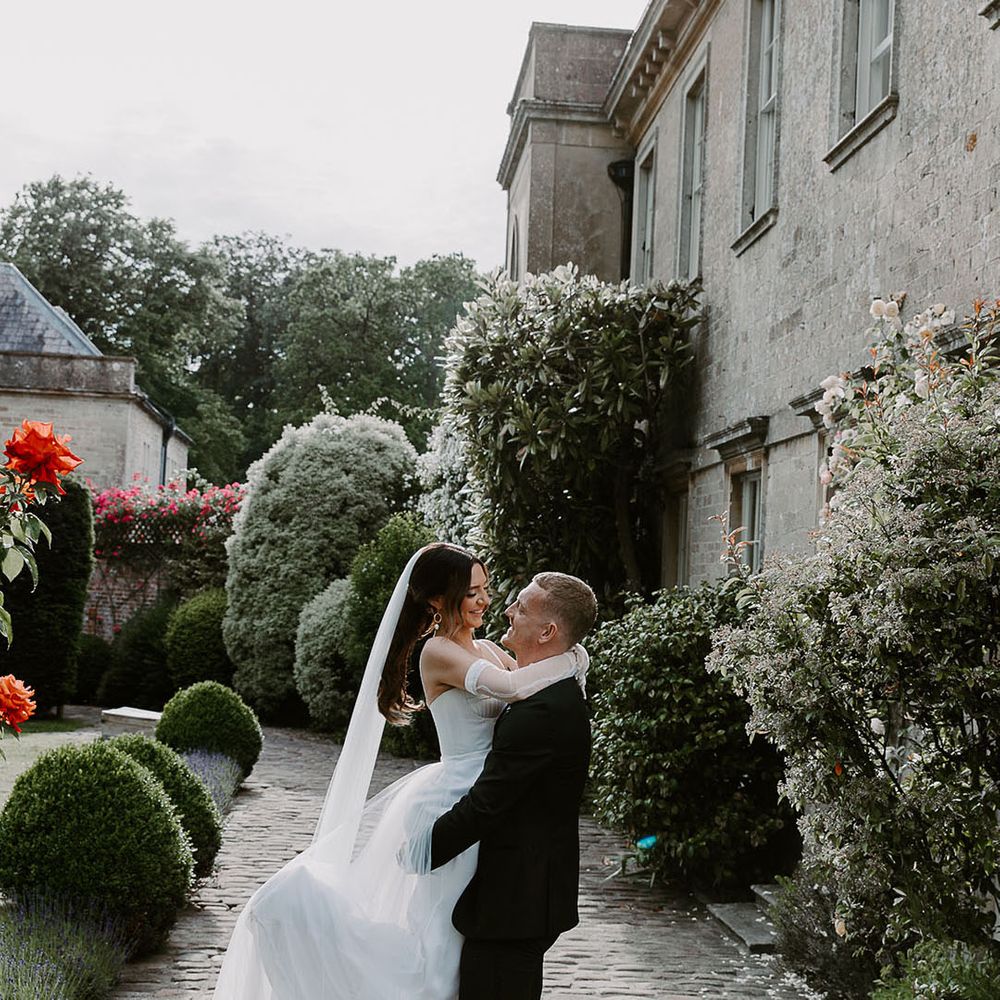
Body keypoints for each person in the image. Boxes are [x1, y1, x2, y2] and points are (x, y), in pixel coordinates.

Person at [212, 543, 591, 999]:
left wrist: (570, 659)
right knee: (440, 941)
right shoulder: (438, 653)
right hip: (454, 799)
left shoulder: (490, 648)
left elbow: (531, 694)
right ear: (436, 601)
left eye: (485, 589)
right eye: (472, 592)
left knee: (457, 941)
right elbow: (513, 688)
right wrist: (572, 659)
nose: (488, 602)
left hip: (484, 807)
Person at [404, 570, 597, 1000]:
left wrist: (419, 851)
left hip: (514, 900)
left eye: (521, 607)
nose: (504, 608)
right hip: (513, 889)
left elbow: (488, 805)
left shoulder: (541, 710)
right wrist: (575, 657)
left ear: (548, 630)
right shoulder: (552, 688)